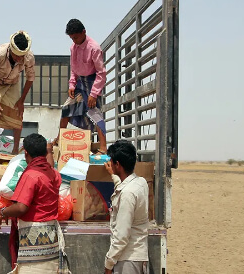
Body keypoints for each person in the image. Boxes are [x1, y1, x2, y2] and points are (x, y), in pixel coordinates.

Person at [0, 133, 66, 273]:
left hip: (33, 237)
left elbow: (21, 207)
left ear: (26, 153)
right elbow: (49, 166)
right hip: (52, 237)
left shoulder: (30, 175)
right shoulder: (54, 174)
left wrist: (2, 213)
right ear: (45, 152)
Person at [56, 19, 108, 154]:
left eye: (76, 37)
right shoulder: (73, 47)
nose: (74, 40)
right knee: (67, 108)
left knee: (94, 113)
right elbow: (74, 68)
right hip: (79, 83)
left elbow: (101, 72)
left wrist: (94, 94)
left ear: (84, 32)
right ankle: (59, 138)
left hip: (92, 82)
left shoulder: (94, 48)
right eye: (71, 38)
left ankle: (103, 147)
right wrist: (72, 84)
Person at [103, 141, 149, 274]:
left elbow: (121, 236)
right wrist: (114, 175)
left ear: (117, 164)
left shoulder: (127, 194)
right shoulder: (140, 183)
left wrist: (109, 264)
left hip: (128, 259)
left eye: (111, 161)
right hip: (138, 255)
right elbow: (124, 187)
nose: (110, 164)